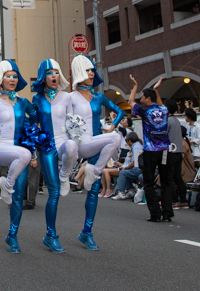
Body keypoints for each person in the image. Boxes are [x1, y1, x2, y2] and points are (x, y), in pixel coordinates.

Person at [68, 55, 124, 249]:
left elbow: (121, 111)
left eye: (93, 70)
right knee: (57, 193)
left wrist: (112, 126)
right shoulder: (71, 97)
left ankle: (87, 232)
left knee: (93, 190)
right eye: (88, 70)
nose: (92, 73)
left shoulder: (98, 96)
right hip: (80, 143)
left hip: (97, 145)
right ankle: (51, 233)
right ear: (79, 72)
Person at [31, 58, 77, 252]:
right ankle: (51, 235)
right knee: (54, 192)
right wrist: (34, 153)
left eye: (56, 72)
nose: (54, 76)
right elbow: (33, 126)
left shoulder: (67, 97)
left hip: (64, 140)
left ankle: (65, 174)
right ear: (44, 77)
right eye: (49, 73)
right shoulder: (37, 99)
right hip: (47, 145)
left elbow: (73, 122)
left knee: (73, 146)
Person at [0, 60, 35, 253]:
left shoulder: (23, 102)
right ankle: (6, 184)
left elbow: (35, 121)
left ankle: (13, 236)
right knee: (13, 189)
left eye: (15, 76)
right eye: (8, 76)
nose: (12, 80)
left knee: (18, 197)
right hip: (0, 149)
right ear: (1, 79)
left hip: (20, 153)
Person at [129, 75, 173, 222]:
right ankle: (167, 212)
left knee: (148, 182)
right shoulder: (164, 110)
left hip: (150, 149)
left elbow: (130, 102)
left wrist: (135, 85)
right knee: (166, 182)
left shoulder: (144, 110)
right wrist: (156, 90)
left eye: (142, 96)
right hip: (165, 149)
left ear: (148, 99)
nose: (140, 98)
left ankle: (155, 214)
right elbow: (160, 103)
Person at [109, 132, 143, 199]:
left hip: (138, 169)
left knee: (123, 172)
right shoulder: (138, 146)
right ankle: (131, 190)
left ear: (129, 141)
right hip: (140, 168)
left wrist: (126, 167)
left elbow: (134, 162)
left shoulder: (136, 147)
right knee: (125, 172)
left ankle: (121, 192)